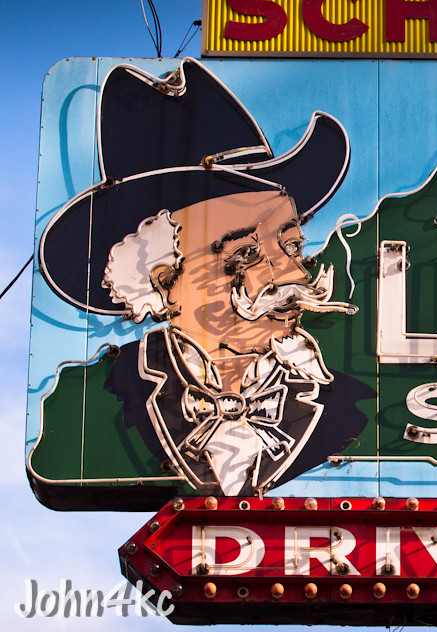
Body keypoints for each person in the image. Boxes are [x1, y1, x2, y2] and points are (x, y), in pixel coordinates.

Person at [30, 59, 370, 507]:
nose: (292, 276)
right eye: (245, 254)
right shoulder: (84, 407)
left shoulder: (355, 403)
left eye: (290, 247)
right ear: (162, 281)